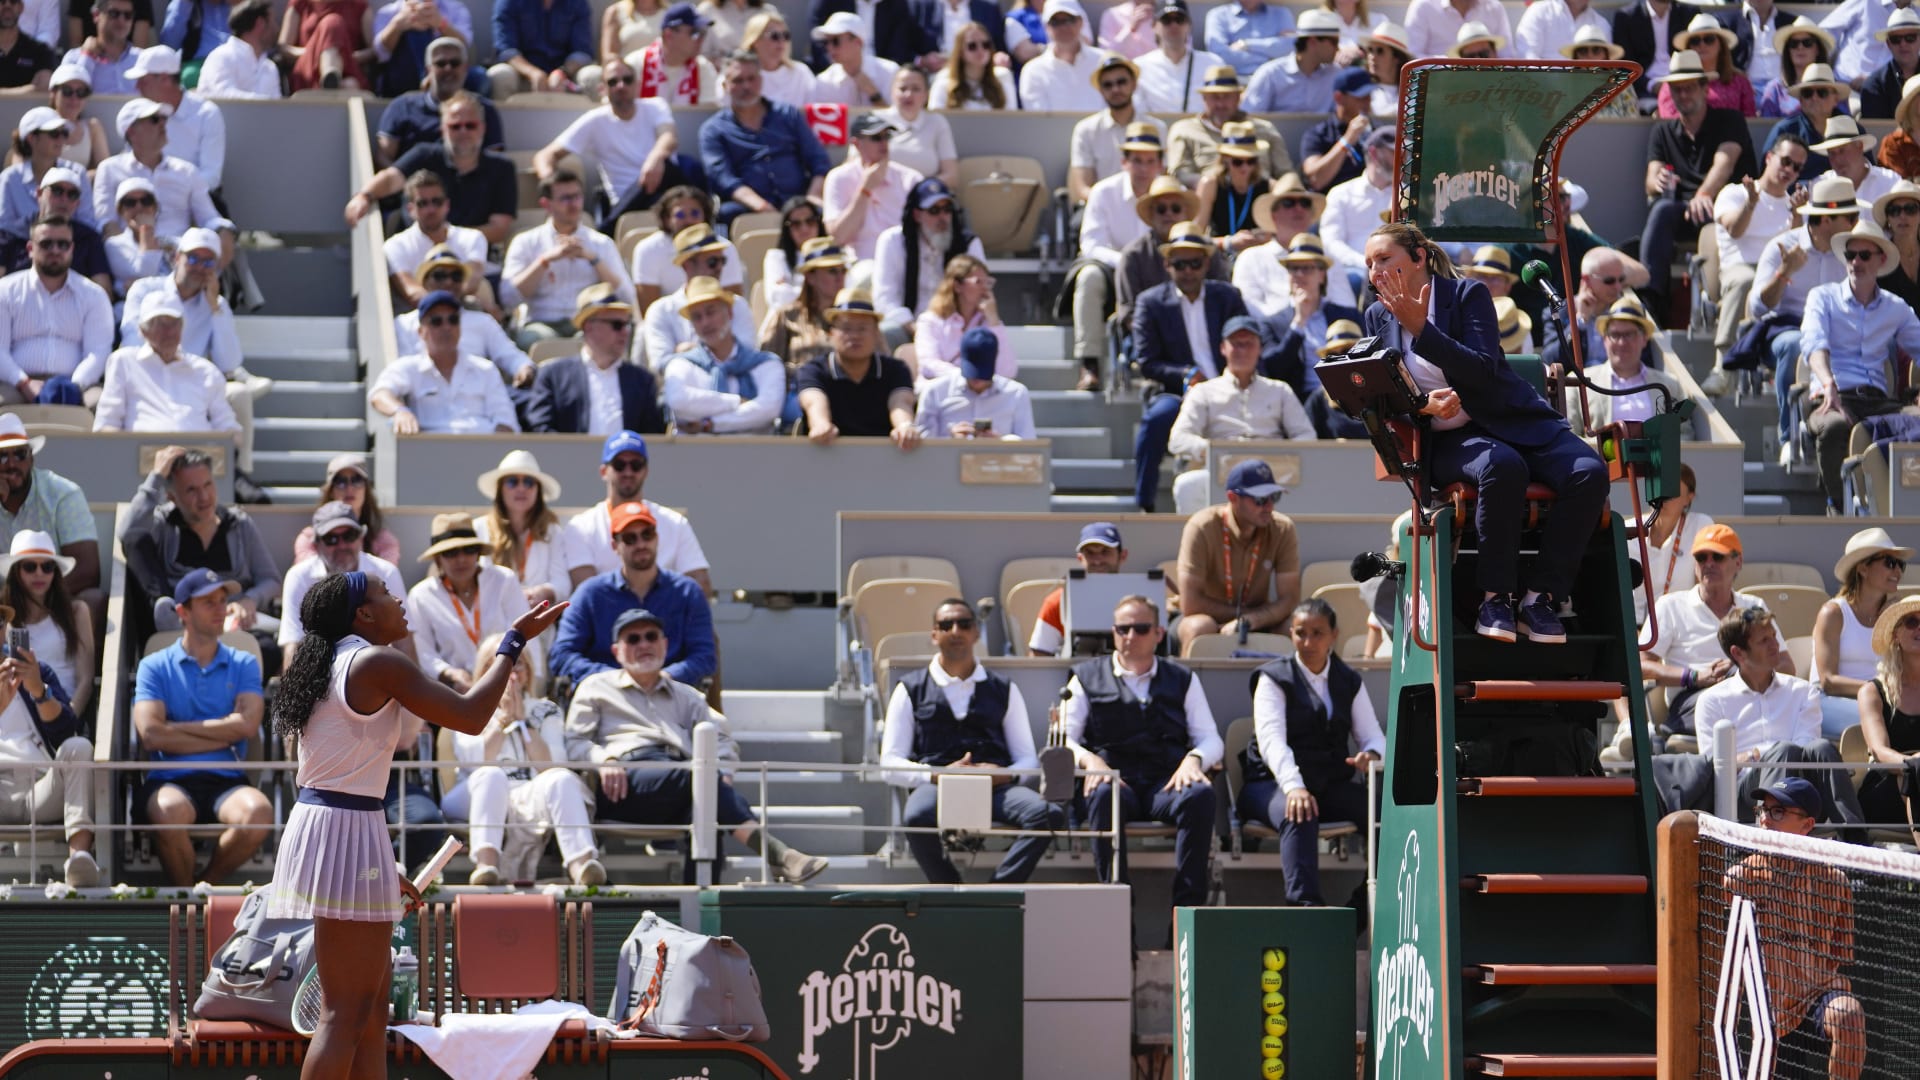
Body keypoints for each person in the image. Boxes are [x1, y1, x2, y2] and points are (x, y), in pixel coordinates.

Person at [266, 572, 565, 1079]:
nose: (398, 600)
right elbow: (471, 717)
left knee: (372, 1010)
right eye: (385, 594)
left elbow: (348, 776)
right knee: (345, 1014)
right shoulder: (376, 662)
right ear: (362, 614)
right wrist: (511, 645)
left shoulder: (333, 663)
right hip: (345, 830)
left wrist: (379, 867)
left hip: (344, 832)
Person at [1363, 220, 1608, 644]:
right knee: (1502, 466)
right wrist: (1422, 404)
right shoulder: (1375, 316)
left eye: (1385, 259)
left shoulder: (1467, 295)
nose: (1375, 271)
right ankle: (1495, 598)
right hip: (1449, 441)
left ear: (1419, 258)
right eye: (1369, 264)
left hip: (1515, 420)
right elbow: (1385, 393)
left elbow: (1481, 369)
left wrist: (1423, 329)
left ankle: (1541, 598)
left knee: (1590, 471)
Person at [566, 605, 823, 881]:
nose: (644, 644)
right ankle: (778, 855)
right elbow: (573, 741)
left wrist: (723, 772)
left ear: (664, 644)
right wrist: (604, 760)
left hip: (680, 777)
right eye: (633, 639)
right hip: (623, 784)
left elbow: (721, 736)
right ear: (616, 650)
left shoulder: (686, 694)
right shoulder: (596, 687)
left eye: (651, 636)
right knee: (702, 785)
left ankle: (700, 905)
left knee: (708, 810)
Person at [1059, 594, 1220, 913]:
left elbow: (1211, 739)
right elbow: (1063, 739)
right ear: (1113, 632)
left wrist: (1194, 759)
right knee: (1102, 795)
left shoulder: (1183, 678)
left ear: (1159, 634)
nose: (1130, 636)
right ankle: (1116, 909)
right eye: (1123, 629)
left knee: (1200, 795)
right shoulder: (1085, 677)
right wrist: (1090, 760)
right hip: (1118, 783)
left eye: (1141, 628)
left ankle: (1186, 915)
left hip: (1166, 783)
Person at [880, 598, 1058, 882]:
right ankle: (951, 891)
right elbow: (889, 763)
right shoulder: (910, 688)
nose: (955, 631)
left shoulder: (1003, 688)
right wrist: (938, 775)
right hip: (937, 785)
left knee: (1047, 814)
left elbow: (1026, 757)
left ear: (976, 632)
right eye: (946, 625)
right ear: (934, 634)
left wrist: (1001, 776)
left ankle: (997, 892)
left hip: (995, 788)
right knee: (915, 818)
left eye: (964, 624)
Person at [1719, 776, 1865, 1080]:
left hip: (1819, 999)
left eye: (1778, 812)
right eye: (1764, 810)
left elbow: (1837, 956)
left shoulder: (1835, 882)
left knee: (1849, 1016)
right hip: (1762, 1013)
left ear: (1807, 824)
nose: (1765, 820)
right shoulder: (1737, 880)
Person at [133, 568, 271, 885]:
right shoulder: (153, 665)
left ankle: (203, 889)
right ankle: (187, 900)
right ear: (183, 611)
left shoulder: (244, 662)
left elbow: (248, 726)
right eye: (208, 602)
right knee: (168, 812)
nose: (221, 608)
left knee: (259, 814)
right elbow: (152, 736)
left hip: (227, 782)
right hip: (169, 782)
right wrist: (225, 730)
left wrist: (175, 731)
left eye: (223, 601)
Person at [1241, 599, 1381, 905]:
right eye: (1300, 633)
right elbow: (1271, 741)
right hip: (1270, 785)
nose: (1308, 642)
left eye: (1317, 633)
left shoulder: (1348, 679)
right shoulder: (1273, 677)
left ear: (1334, 635)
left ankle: (1367, 906)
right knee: (1300, 812)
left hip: (1328, 783)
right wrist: (1294, 787)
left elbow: (1373, 737)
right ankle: (1306, 913)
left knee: (1386, 809)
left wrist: (1371, 755)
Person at [444, 630, 601, 885]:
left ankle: (582, 866)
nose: (510, 675)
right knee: (490, 774)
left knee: (561, 778)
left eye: (517, 665)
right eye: (499, 666)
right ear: (483, 671)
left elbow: (550, 766)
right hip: (475, 793)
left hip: (527, 793)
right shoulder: (465, 704)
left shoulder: (545, 709)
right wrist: (503, 719)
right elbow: (473, 761)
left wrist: (523, 721)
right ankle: (486, 865)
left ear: (528, 671)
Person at [1693, 608, 1862, 826]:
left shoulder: (1802, 690)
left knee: (1821, 749)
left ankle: (1855, 841)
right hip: (1747, 800)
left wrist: (1752, 755)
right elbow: (1714, 769)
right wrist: (1769, 755)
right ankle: (1773, 843)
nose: (1775, 645)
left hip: (1801, 788)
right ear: (1738, 653)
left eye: (1774, 636)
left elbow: (1806, 747)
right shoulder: (1712, 700)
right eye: (1764, 640)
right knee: (1784, 750)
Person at [1802, 218, 1920, 511]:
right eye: (1850, 255)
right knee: (1834, 427)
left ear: (1880, 260)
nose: (1856, 261)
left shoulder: (1897, 307)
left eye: (1864, 255)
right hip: (1832, 395)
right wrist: (1828, 383)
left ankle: (1904, 508)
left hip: (1877, 401)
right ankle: (1839, 509)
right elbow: (1813, 343)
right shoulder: (1822, 297)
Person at [1130, 221, 1248, 511]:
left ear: (1206, 263)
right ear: (1167, 264)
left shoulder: (1227, 296)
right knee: (1156, 420)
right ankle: (1143, 505)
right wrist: (1185, 374)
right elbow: (1146, 361)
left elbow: (1247, 340)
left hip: (1229, 387)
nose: (1188, 271)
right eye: (1180, 264)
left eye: (1194, 263)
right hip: (1177, 393)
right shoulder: (1150, 302)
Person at [1642, 49, 1758, 322]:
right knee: (1661, 209)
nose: (1684, 95)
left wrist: (1704, 193)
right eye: (1677, 89)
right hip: (1683, 210)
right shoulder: (1662, 130)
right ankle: (1650, 300)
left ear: (1705, 88)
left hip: (1730, 212)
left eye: (1690, 88)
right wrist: (1657, 181)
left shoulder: (1730, 119)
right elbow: (1649, 180)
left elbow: (1725, 163)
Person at [121, 446, 281, 641]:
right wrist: (156, 477)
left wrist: (250, 600)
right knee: (137, 541)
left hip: (234, 629)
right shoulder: (163, 524)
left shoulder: (240, 524)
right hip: (179, 631)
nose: (204, 497)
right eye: (191, 490)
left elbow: (270, 580)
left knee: (268, 650)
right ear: (172, 497)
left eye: (208, 485)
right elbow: (128, 533)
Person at [1750, 175, 1855, 464]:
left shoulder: (1854, 253)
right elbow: (1757, 307)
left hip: (1836, 333)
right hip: (1787, 329)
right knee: (1797, 345)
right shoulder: (1782, 246)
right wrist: (1784, 273)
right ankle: (1788, 437)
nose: (1855, 222)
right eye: (1850, 216)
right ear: (1825, 221)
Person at [0, 570, 95, 886]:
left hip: (38, 786)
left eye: (1, 621)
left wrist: (39, 691)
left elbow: (67, 732)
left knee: (79, 748)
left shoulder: (36, 671)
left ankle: (79, 859)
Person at [551, 501, 714, 685]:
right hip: (606, 697)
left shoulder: (688, 592)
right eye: (630, 538)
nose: (641, 544)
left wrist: (664, 678)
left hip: (672, 696)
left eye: (647, 534)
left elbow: (704, 656)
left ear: (657, 538)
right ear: (615, 545)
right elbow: (562, 655)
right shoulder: (590, 594)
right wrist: (615, 680)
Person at [1642, 524, 1778, 739]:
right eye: (1701, 558)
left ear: (1738, 562)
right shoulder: (1670, 606)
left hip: (1749, 694)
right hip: (1692, 699)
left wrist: (1740, 666)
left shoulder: (1753, 606)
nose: (1709, 564)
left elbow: (1786, 666)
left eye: (1717, 556)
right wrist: (1693, 677)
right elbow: (1640, 666)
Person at [1166, 316, 1311, 513]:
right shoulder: (1204, 391)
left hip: (1270, 472)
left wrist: (1280, 455)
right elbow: (1178, 439)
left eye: (1249, 344)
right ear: (1223, 348)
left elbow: (1306, 436)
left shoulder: (1279, 390)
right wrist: (1214, 450)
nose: (1242, 350)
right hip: (1221, 471)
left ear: (1260, 348)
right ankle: (1198, 542)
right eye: (1236, 344)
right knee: (1187, 485)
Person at [1065, 120, 1165, 392]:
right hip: (1113, 271)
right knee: (1088, 278)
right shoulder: (1102, 192)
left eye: (1149, 161)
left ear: (1160, 164)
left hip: (1159, 273)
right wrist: (1126, 263)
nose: (1143, 169)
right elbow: (1091, 245)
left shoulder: (1170, 193)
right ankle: (1090, 363)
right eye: (1137, 161)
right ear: (1124, 162)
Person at [346, 92, 515, 251]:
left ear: (483, 128)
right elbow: (390, 179)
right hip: (416, 253)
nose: (463, 132)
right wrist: (364, 196)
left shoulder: (503, 168)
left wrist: (445, 238)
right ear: (443, 129)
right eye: (455, 126)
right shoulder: (424, 155)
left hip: (469, 257)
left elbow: (498, 229)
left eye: (470, 125)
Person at [533, 57, 682, 232]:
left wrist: (655, 159)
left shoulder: (656, 106)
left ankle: (606, 230)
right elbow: (544, 156)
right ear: (602, 89)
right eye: (613, 82)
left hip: (665, 192)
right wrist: (554, 188)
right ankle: (607, 230)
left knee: (669, 169)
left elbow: (669, 138)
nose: (621, 86)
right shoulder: (595, 120)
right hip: (626, 202)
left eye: (627, 80)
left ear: (637, 84)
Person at [1707, 136, 1809, 384]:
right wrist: (1751, 203)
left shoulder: (1795, 205)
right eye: (1786, 161)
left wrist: (1797, 215)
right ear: (1769, 158)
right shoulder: (1734, 193)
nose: (1790, 170)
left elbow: (1791, 249)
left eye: (1797, 167)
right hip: (1739, 269)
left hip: (1776, 271)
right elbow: (1734, 230)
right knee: (1748, 281)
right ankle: (1723, 367)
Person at [1173, 458, 1299, 652]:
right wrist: (1243, 617)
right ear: (1233, 498)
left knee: (1296, 628)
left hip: (1257, 618)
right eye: (1259, 500)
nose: (1269, 507)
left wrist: (1253, 619)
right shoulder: (1201, 527)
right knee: (1200, 626)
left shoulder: (1282, 528)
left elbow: (1289, 598)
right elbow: (1191, 604)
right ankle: (1190, 682)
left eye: (1273, 497)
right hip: (1206, 617)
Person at [500, 170, 632, 348]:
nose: (574, 204)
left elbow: (626, 295)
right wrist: (545, 260)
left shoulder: (601, 243)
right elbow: (508, 297)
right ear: (546, 204)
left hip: (588, 321)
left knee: (602, 339)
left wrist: (593, 259)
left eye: (577, 197)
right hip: (542, 322)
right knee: (533, 341)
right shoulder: (525, 242)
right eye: (565, 198)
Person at [94, 98, 236, 261]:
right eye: (154, 119)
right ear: (131, 131)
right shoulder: (109, 169)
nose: (163, 124)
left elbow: (209, 218)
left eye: (164, 119)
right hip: (131, 259)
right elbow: (106, 223)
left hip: (182, 260)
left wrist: (223, 230)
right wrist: (131, 258)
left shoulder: (187, 171)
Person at [698, 50, 831, 225]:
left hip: (798, 203)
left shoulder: (788, 115)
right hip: (749, 208)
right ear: (725, 86)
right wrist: (762, 207)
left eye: (751, 79)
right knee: (727, 214)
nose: (746, 86)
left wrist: (812, 198)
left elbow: (819, 160)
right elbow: (723, 179)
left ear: (761, 81)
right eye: (738, 80)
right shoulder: (713, 130)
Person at [563, 431, 710, 588]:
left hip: (665, 613)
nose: (628, 472)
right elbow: (587, 594)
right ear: (604, 471)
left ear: (646, 471)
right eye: (619, 465)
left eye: (636, 465)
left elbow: (699, 585)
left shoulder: (676, 523)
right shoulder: (580, 527)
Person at [409, 512, 536, 693]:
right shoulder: (420, 595)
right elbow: (422, 651)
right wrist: (448, 673)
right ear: (438, 559)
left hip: (507, 681)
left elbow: (525, 634)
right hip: (452, 693)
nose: (461, 559)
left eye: (469, 550)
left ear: (478, 554)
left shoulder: (504, 580)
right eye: (451, 552)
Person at [94, 292, 240, 446]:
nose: (169, 332)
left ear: (182, 327)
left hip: (196, 460)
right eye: (160, 324)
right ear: (143, 331)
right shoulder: (124, 362)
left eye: (174, 324)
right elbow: (106, 425)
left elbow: (228, 426)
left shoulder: (205, 371)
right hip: (140, 459)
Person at [368, 291, 519, 435]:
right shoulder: (410, 368)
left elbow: (505, 422)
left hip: (483, 453)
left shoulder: (486, 369)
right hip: (430, 455)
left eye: (453, 320)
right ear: (421, 331)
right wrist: (400, 411)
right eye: (436, 321)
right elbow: (380, 395)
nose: (446, 327)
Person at [0, 215, 114, 405]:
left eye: (63, 244)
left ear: (72, 249)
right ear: (30, 249)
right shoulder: (5, 291)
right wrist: (23, 382)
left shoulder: (94, 295)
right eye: (46, 244)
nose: (55, 250)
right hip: (14, 383)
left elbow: (99, 352)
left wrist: (72, 386)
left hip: (78, 384)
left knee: (101, 404)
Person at [278, 500, 404, 670]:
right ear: (316, 544)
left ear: (361, 537)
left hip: (382, 672)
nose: (342, 545)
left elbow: (404, 642)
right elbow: (293, 644)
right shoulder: (299, 576)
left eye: (349, 535)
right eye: (331, 539)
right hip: (320, 675)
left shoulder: (386, 571)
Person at [0, 416, 100, 617]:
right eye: (1, 456)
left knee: (93, 600)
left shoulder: (62, 494)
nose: (11, 464)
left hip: (54, 605)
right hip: (2, 608)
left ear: (31, 458)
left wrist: (32, 605)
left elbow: (88, 570)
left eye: (20, 454)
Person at [1814, 528, 1909, 738]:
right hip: (1831, 701)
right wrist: (1878, 690)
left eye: (1900, 564)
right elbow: (1828, 682)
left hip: (1881, 699)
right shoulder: (1833, 612)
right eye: (1890, 563)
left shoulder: (1896, 615)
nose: (1898, 572)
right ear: (1863, 569)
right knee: (1888, 721)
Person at [796, 287, 919, 447]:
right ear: (831, 333)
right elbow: (814, 402)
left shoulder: (896, 370)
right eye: (846, 328)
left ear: (876, 333)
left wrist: (904, 427)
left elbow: (901, 402)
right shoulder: (813, 371)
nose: (854, 336)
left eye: (862, 328)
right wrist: (821, 425)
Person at [663, 276, 784, 434]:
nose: (705, 322)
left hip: (755, 455)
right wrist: (736, 402)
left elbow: (768, 409)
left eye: (711, 312)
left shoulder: (766, 363)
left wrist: (710, 424)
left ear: (729, 313)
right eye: (697, 317)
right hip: (696, 456)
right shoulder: (681, 364)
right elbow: (678, 401)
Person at [877, 177, 985, 348]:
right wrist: (914, 329)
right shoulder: (893, 241)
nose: (942, 217)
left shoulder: (968, 243)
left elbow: (980, 292)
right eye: (934, 210)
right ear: (917, 214)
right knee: (886, 331)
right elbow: (885, 299)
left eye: (947, 209)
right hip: (908, 328)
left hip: (955, 329)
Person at [391, 248, 524, 381]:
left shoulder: (483, 321)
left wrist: (524, 369)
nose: (449, 282)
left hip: (481, 394)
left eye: (456, 277)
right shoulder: (403, 324)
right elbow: (402, 372)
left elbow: (511, 356)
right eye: (440, 276)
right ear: (425, 282)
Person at [1563, 297, 1691, 436]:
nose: (1622, 342)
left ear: (1644, 339)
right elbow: (1570, 438)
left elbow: (1685, 435)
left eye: (1629, 335)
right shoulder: (1578, 383)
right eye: (1615, 335)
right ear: (1605, 340)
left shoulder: (1671, 385)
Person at [0, 529, 93, 718]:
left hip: (63, 712)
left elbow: (86, 679)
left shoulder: (77, 611)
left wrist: (68, 720)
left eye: (48, 567)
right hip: (18, 719)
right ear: (15, 572)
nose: (40, 574)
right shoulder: (3, 618)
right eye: (30, 567)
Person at [474, 449, 576, 615]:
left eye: (529, 482)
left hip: (537, 625)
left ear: (538, 490)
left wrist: (543, 593)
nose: (521, 488)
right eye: (513, 482)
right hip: (493, 624)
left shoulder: (552, 531)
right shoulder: (479, 528)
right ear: (501, 489)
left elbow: (562, 583)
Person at [638, 226, 756, 368]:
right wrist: (719, 349)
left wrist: (688, 351)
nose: (719, 267)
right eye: (712, 262)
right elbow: (661, 365)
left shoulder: (737, 304)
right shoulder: (660, 310)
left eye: (722, 261)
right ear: (687, 265)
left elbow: (747, 356)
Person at [374, 36, 502, 166]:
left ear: (465, 68)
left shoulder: (484, 109)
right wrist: (405, 182)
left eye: (455, 63)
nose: (448, 69)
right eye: (440, 63)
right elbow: (383, 156)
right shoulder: (402, 106)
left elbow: (494, 163)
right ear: (428, 69)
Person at [1164, 66, 1290, 190]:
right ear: (1204, 99)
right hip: (1207, 201)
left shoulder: (1265, 129)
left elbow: (1285, 172)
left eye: (1227, 96)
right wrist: (1214, 186)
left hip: (1260, 200)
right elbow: (1179, 174)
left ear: (1238, 98)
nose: (1220, 104)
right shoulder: (1184, 130)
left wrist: (1270, 186)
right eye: (1214, 97)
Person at [626, 186, 742, 317]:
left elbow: (733, 305)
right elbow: (649, 310)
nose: (689, 220)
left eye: (695, 213)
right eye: (680, 215)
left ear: (705, 215)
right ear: (666, 219)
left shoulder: (724, 248)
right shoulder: (648, 250)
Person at [823, 114, 922, 264]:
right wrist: (865, 189)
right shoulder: (838, 177)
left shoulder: (911, 179)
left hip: (904, 261)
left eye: (886, 137)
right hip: (859, 264)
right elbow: (838, 237)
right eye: (876, 138)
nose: (883, 143)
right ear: (856, 144)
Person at [1857, 595, 1920, 828]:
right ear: (1896, 635)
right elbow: (1880, 751)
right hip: (1886, 787)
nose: (1919, 628)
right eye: (1911, 622)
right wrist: (1913, 764)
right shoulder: (1872, 691)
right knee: (1915, 773)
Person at [384, 172, 488, 312]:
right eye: (422, 203)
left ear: (447, 205)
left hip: (464, 313)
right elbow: (411, 292)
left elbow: (472, 282)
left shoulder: (472, 238)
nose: (431, 209)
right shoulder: (395, 245)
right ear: (410, 209)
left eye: (437, 202)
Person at [129, 45, 224, 190]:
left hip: (191, 203)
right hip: (146, 199)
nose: (137, 86)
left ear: (165, 79)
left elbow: (211, 176)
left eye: (143, 80)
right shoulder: (139, 112)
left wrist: (174, 194)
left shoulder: (207, 114)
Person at [1067, 55, 1157, 208]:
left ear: (1134, 84)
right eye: (1108, 85)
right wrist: (1115, 207)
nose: (1115, 89)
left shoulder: (1156, 128)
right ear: (1101, 91)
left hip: (1148, 209)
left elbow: (1162, 179)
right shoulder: (1085, 130)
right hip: (1101, 208)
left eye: (1121, 82)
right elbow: (1082, 188)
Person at [914, 326, 1034, 439]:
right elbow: (924, 446)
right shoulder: (935, 391)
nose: (977, 379)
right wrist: (950, 440)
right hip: (946, 461)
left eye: (983, 372)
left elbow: (1029, 445)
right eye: (973, 371)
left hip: (999, 461)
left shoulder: (1017, 393)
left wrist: (1000, 443)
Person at [1027, 522, 1125, 657]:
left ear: (1123, 556)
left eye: (1105, 552)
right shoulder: (1059, 601)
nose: (1097, 560)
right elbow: (1039, 656)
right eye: (1090, 553)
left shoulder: (1142, 601)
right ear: (1080, 558)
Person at [1630, 462, 1709, 628]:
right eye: (1660, 488)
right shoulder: (1628, 530)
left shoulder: (1701, 525)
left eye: (1672, 491)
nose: (1664, 496)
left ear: (1689, 497)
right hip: (1631, 625)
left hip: (1679, 625)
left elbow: (1706, 584)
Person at [911, 253, 1011, 383]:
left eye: (988, 283)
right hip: (941, 392)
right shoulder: (930, 321)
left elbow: (1007, 371)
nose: (985, 289)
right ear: (957, 286)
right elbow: (928, 365)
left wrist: (993, 319)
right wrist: (969, 376)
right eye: (978, 282)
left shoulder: (989, 323)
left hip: (980, 394)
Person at [1321, 127, 1395, 293]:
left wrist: (1459, 250)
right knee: (1353, 280)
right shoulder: (1341, 193)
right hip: (1354, 271)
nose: (1404, 158)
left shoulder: (1407, 194)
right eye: (1394, 152)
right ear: (1374, 153)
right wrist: (1367, 264)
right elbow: (1331, 243)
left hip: (1398, 272)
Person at [759, 236, 844, 375]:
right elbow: (766, 366)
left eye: (843, 271)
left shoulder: (855, 317)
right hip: (797, 392)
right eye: (832, 271)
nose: (840, 277)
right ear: (810, 277)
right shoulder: (786, 316)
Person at [294, 454, 400, 565]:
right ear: (330, 491)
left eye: (356, 480)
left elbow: (385, 578)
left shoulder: (384, 541)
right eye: (340, 481)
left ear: (366, 489)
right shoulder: (309, 539)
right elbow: (311, 577)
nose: (349, 488)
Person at [1193, 121, 1274, 256]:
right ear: (1225, 159)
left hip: (1257, 257)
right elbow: (1194, 237)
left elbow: (1280, 237)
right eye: (1238, 161)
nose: (1245, 168)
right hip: (1219, 257)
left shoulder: (1269, 186)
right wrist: (1228, 243)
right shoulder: (1210, 184)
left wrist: (1265, 237)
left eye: (1251, 161)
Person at [485, 0, 593, 98]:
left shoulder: (577, 3)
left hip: (566, 76)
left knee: (593, 76)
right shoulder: (509, 2)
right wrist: (533, 73)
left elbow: (582, 51)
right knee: (500, 75)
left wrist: (562, 72)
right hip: (522, 75)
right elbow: (506, 50)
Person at [1018, 0, 1110, 113]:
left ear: (1081, 22)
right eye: (1055, 22)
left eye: (1069, 20)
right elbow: (1039, 120)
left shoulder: (1104, 62)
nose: (1063, 27)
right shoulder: (1033, 71)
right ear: (1046, 27)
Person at [1133, 0, 1223, 115]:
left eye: (1179, 20)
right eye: (1167, 20)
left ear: (1189, 26)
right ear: (1154, 26)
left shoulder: (1213, 64)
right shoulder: (1139, 67)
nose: (1174, 25)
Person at [1244, 9, 1339, 113]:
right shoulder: (1270, 75)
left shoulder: (1336, 75)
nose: (1338, 48)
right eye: (1334, 42)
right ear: (1312, 42)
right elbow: (1251, 117)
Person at [1658, 14, 1754, 116]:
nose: (1702, 45)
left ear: (1721, 45)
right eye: (1695, 41)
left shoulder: (1740, 82)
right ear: (1688, 47)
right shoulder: (1673, 84)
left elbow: (1750, 122)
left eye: (1709, 39)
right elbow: (1671, 120)